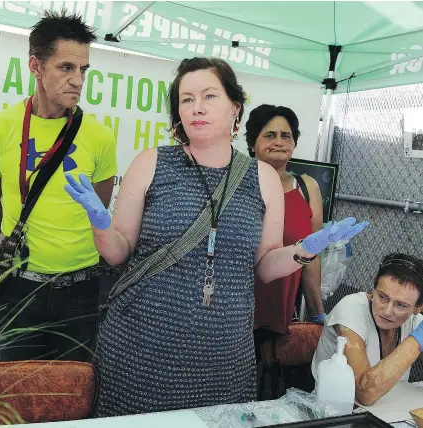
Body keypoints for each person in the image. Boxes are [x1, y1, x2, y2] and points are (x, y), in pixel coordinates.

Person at [65, 57, 368, 416]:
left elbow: (267, 266)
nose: (197, 108)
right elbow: (118, 253)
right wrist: (100, 224)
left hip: (223, 355)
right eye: (186, 99)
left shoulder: (262, 178)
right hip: (140, 347)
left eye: (209, 96)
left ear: (234, 108)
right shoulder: (151, 162)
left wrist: (306, 249)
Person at [0, 10, 117, 362]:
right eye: (66, 67)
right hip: (16, 289)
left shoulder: (100, 137)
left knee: (69, 396)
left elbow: (99, 211)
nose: (77, 80)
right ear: (36, 66)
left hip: (81, 290)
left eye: (83, 70)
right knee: (9, 398)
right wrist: (6, 253)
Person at [245, 105, 326, 361]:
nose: (279, 141)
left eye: (286, 135)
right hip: (236, 316)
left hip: (282, 315)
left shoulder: (306, 187)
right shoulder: (236, 186)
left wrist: (317, 315)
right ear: (252, 143)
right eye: (269, 135)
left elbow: (311, 257)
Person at [312, 253, 423, 406]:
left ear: (418, 307)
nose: (387, 311)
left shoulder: (416, 322)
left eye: (401, 305)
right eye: (382, 297)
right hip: (332, 410)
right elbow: (364, 393)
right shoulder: (350, 309)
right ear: (374, 287)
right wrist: (417, 340)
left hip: (389, 410)